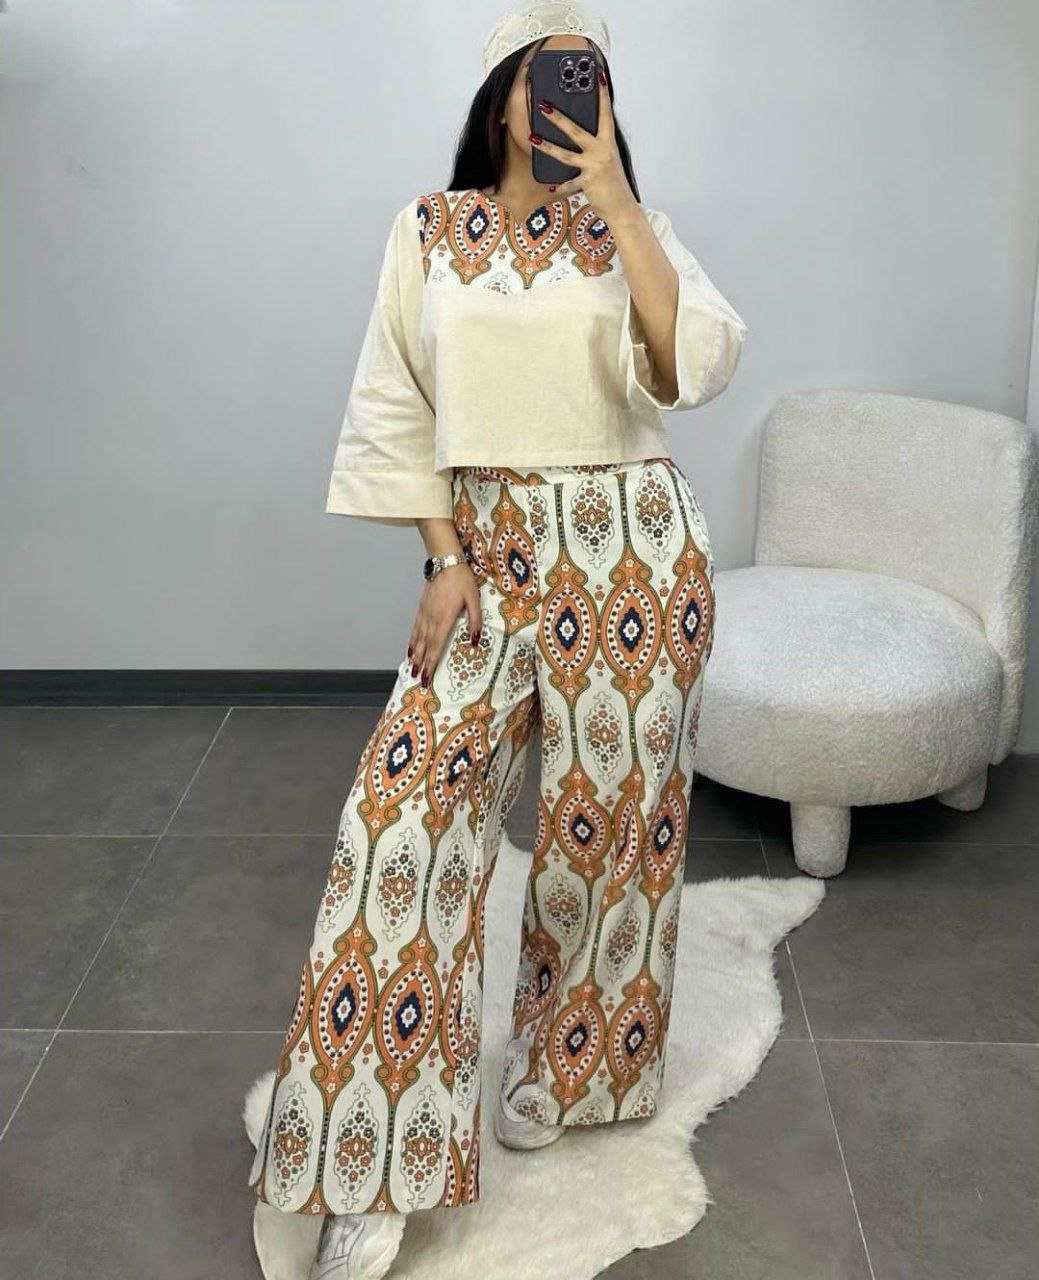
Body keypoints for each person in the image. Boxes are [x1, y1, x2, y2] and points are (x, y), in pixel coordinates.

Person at [245, 3, 748, 1276]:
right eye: (544, 77)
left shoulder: (636, 227)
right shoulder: (427, 228)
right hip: (485, 559)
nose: (567, 97)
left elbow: (693, 364)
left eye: (589, 79)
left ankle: (570, 1069)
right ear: (500, 99)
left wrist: (619, 203)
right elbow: (392, 400)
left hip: (632, 551)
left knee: (608, 836)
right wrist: (442, 557)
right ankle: (371, 1158)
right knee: (400, 828)